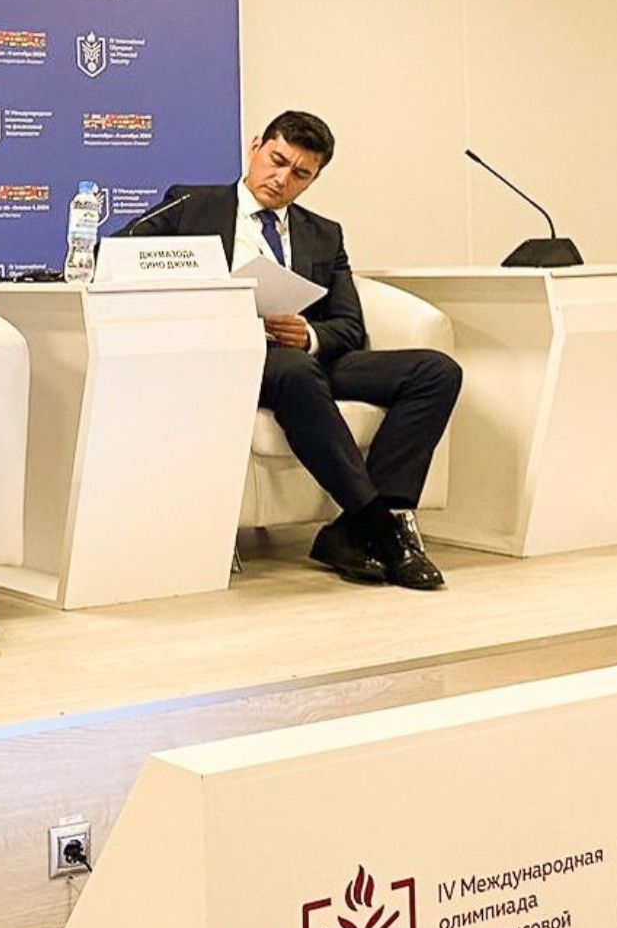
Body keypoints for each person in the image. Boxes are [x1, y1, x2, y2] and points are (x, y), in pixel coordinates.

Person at [118, 110, 461, 589]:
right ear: (256, 147)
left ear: (314, 178)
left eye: (300, 174)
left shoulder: (325, 233)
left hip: (305, 359)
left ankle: (352, 529)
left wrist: (309, 335)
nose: (282, 179)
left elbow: (348, 325)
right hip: (234, 356)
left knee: (436, 371)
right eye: (277, 161)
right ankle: (380, 529)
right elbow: (118, 256)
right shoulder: (191, 205)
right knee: (296, 372)